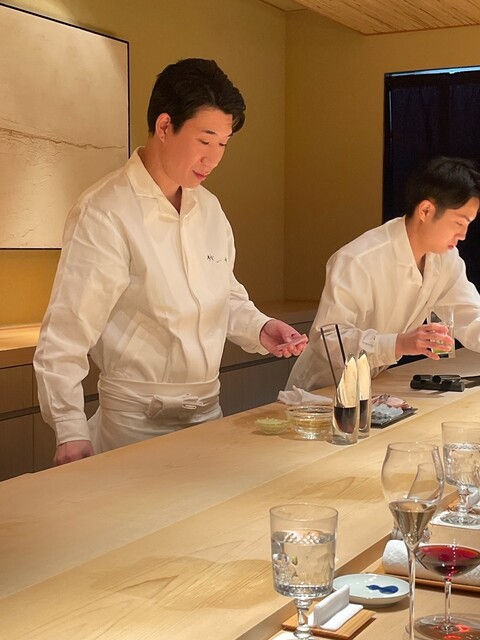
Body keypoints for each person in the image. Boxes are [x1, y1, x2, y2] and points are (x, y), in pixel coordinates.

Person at [34, 58, 307, 465]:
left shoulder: (209, 209)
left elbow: (224, 295)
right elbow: (66, 335)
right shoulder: (106, 211)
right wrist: (70, 429)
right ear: (164, 127)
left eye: (223, 145)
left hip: (207, 416)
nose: (214, 159)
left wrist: (260, 327)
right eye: (205, 141)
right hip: (134, 427)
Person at [286, 155, 480, 392]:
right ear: (426, 210)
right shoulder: (359, 259)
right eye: (459, 223)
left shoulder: (445, 258)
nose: (463, 235)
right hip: (322, 390)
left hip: (371, 386)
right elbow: (329, 340)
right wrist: (398, 343)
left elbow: (470, 315)